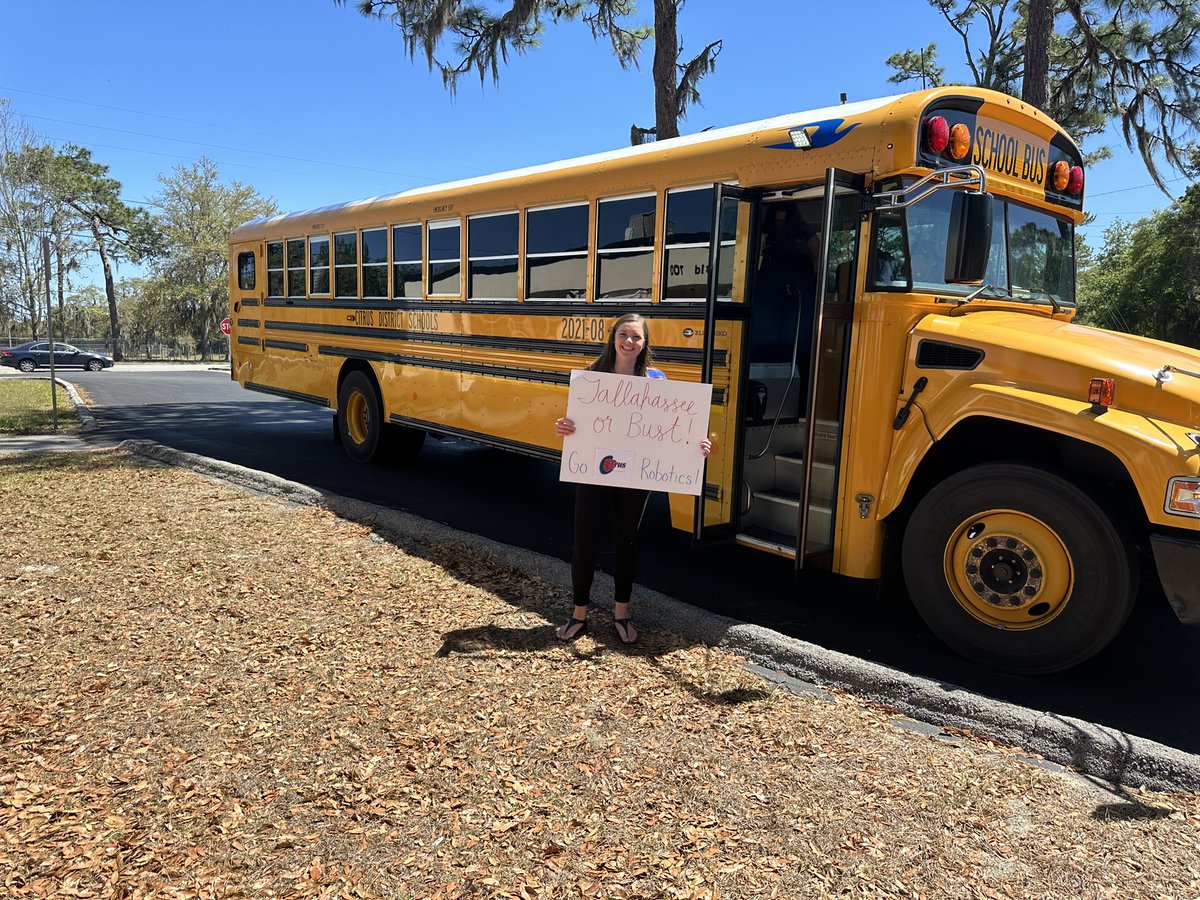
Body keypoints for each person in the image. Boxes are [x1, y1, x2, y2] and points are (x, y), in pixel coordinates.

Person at [553, 313, 712, 644]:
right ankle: (578, 613)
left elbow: (672, 428)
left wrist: (697, 445)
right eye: (624, 335)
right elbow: (576, 423)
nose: (629, 342)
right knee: (585, 542)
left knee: (626, 542)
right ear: (613, 338)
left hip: (635, 476)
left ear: (645, 344)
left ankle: (621, 613)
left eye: (637, 337)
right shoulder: (593, 377)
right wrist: (564, 427)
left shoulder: (656, 380)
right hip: (594, 472)